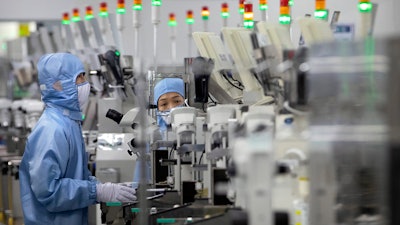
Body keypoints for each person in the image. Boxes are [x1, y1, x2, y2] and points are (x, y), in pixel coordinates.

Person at [19, 53, 137, 225]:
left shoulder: (68, 122)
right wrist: (95, 192)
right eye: (79, 78)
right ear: (58, 85)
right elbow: (49, 192)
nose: (85, 83)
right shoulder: (52, 130)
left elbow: (76, 176)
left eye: (84, 76)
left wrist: (102, 188)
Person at [132, 77, 186, 186]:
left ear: (186, 101)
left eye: (176, 101)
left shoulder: (199, 133)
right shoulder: (153, 139)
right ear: (157, 108)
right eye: (164, 104)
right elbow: (140, 184)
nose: (171, 108)